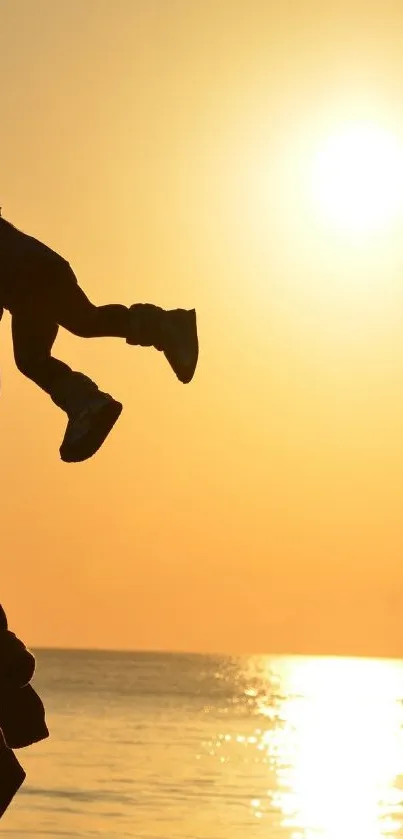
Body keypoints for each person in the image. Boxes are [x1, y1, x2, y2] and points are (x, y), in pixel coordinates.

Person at [0, 212, 198, 462]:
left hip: (29, 275)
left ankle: (88, 403)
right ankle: (161, 326)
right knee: (82, 324)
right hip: (34, 274)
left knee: (45, 349)